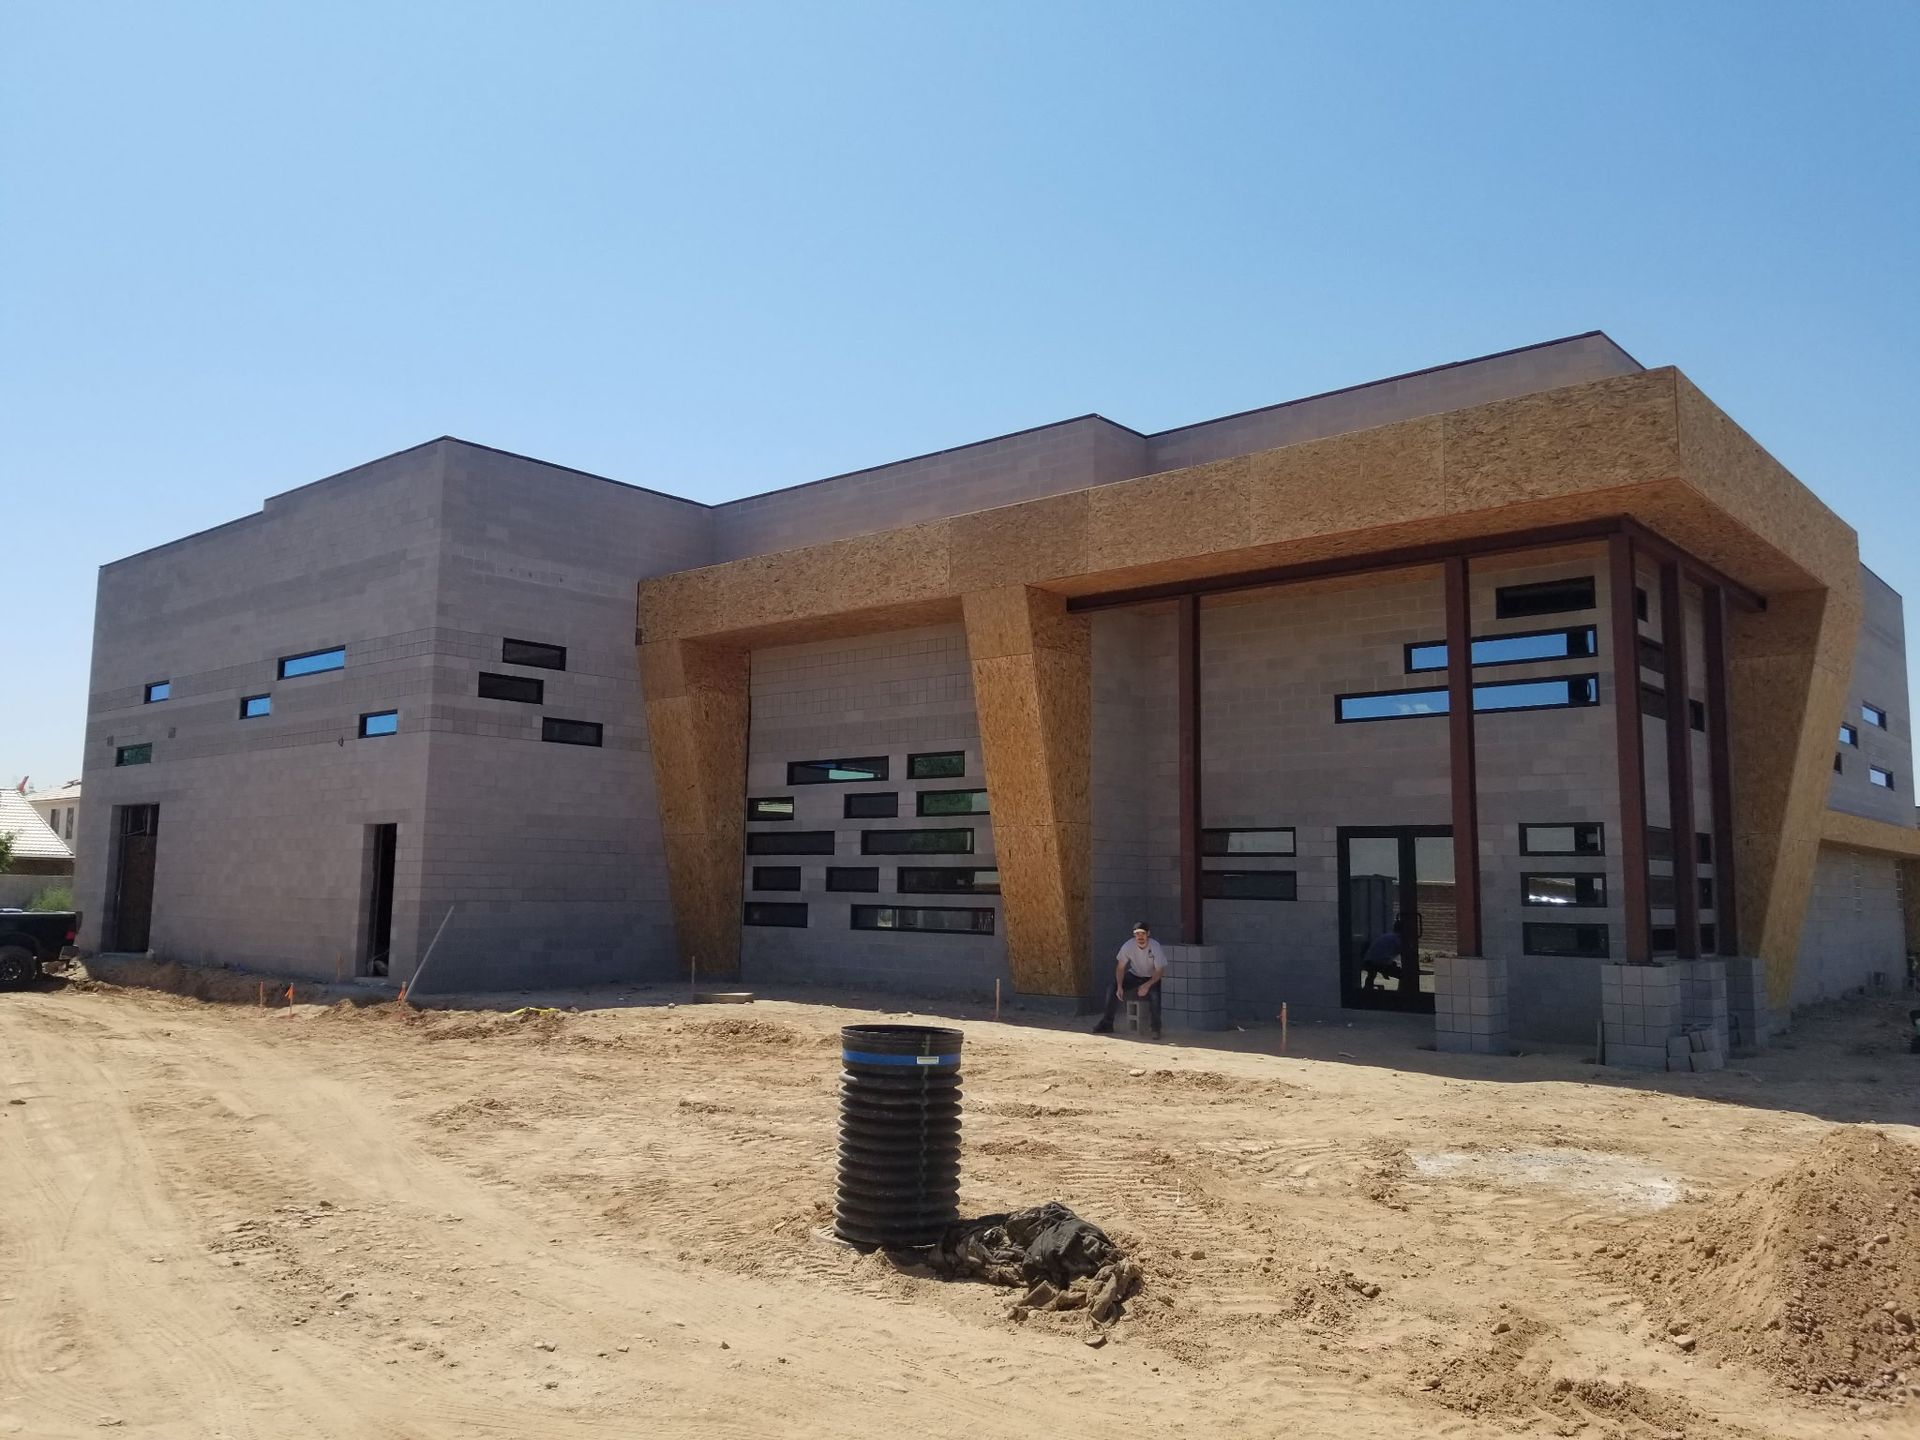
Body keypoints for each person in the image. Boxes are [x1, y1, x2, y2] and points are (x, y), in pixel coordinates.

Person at [1091, 923, 1166, 1037]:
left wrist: (1147, 985)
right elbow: (1120, 967)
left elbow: (1159, 971)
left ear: (1148, 934)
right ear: (1134, 935)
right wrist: (1120, 986)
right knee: (1112, 988)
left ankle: (1155, 1028)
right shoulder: (1128, 946)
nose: (1140, 937)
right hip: (1135, 974)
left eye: (1143, 934)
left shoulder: (1155, 946)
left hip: (1151, 977)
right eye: (1137, 934)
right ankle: (1107, 1023)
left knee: (1155, 997)